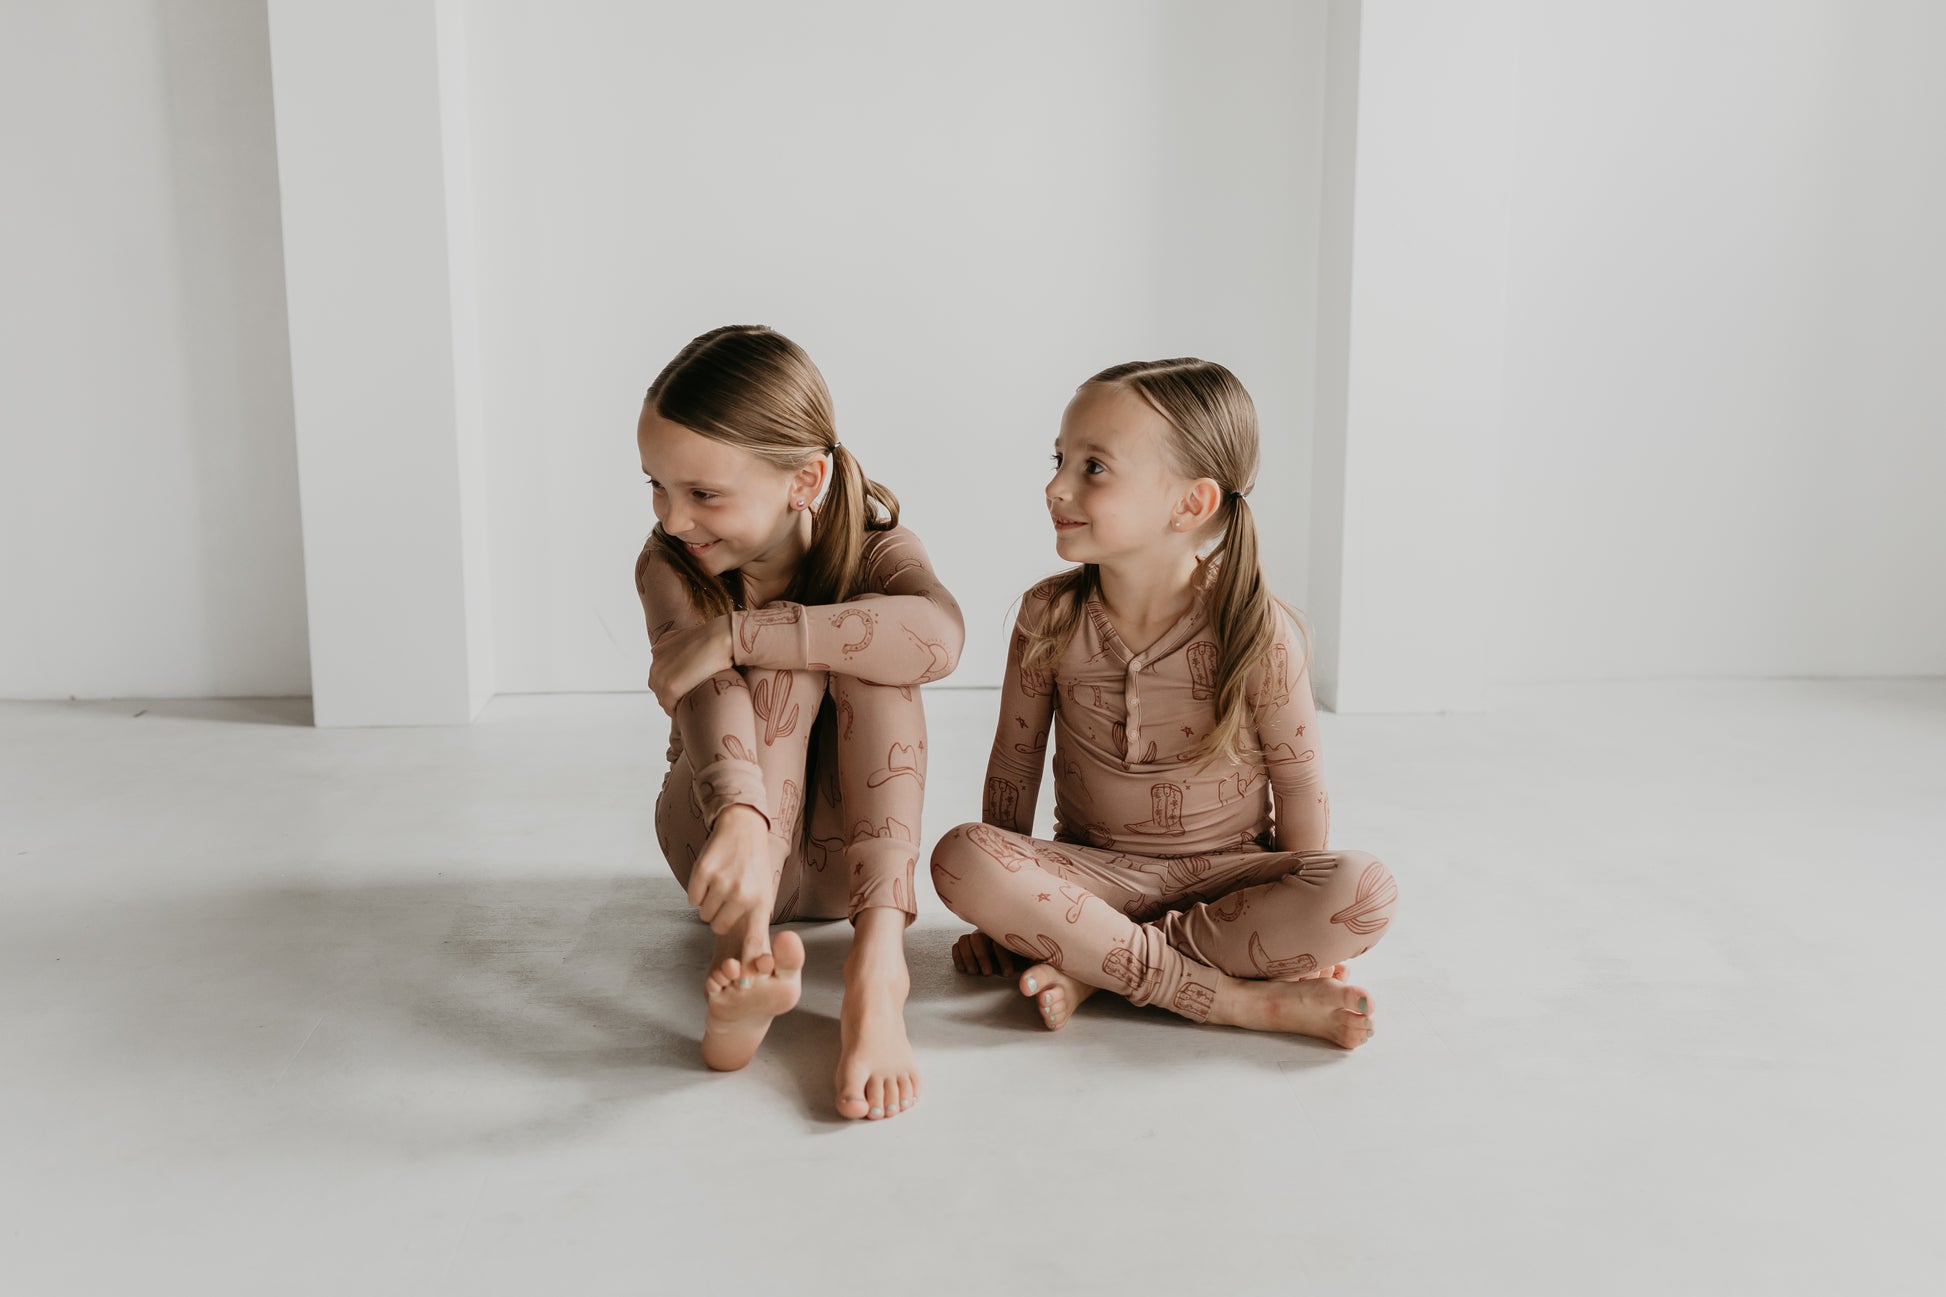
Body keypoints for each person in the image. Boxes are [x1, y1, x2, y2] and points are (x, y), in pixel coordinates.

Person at [932, 358, 1398, 1047]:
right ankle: (1232, 1001)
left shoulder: (1256, 629)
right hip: (1093, 873)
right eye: (1060, 458)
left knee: (1366, 889)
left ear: (1190, 503)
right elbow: (1014, 762)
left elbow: (1299, 786)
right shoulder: (1048, 616)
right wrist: (993, 912)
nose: (1055, 485)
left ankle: (1096, 963)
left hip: (1226, 877)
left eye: (1093, 467)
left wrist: (1297, 895)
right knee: (960, 857)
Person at [636, 325, 963, 1117]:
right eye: (655, 484)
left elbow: (941, 636)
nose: (672, 517)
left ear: (804, 479)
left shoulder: (877, 549)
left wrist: (741, 631)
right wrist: (743, 813)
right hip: (725, 844)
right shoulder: (668, 565)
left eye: (703, 493)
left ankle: (877, 969)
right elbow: (706, 696)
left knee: (868, 644)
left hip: (847, 863)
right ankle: (742, 958)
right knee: (797, 654)